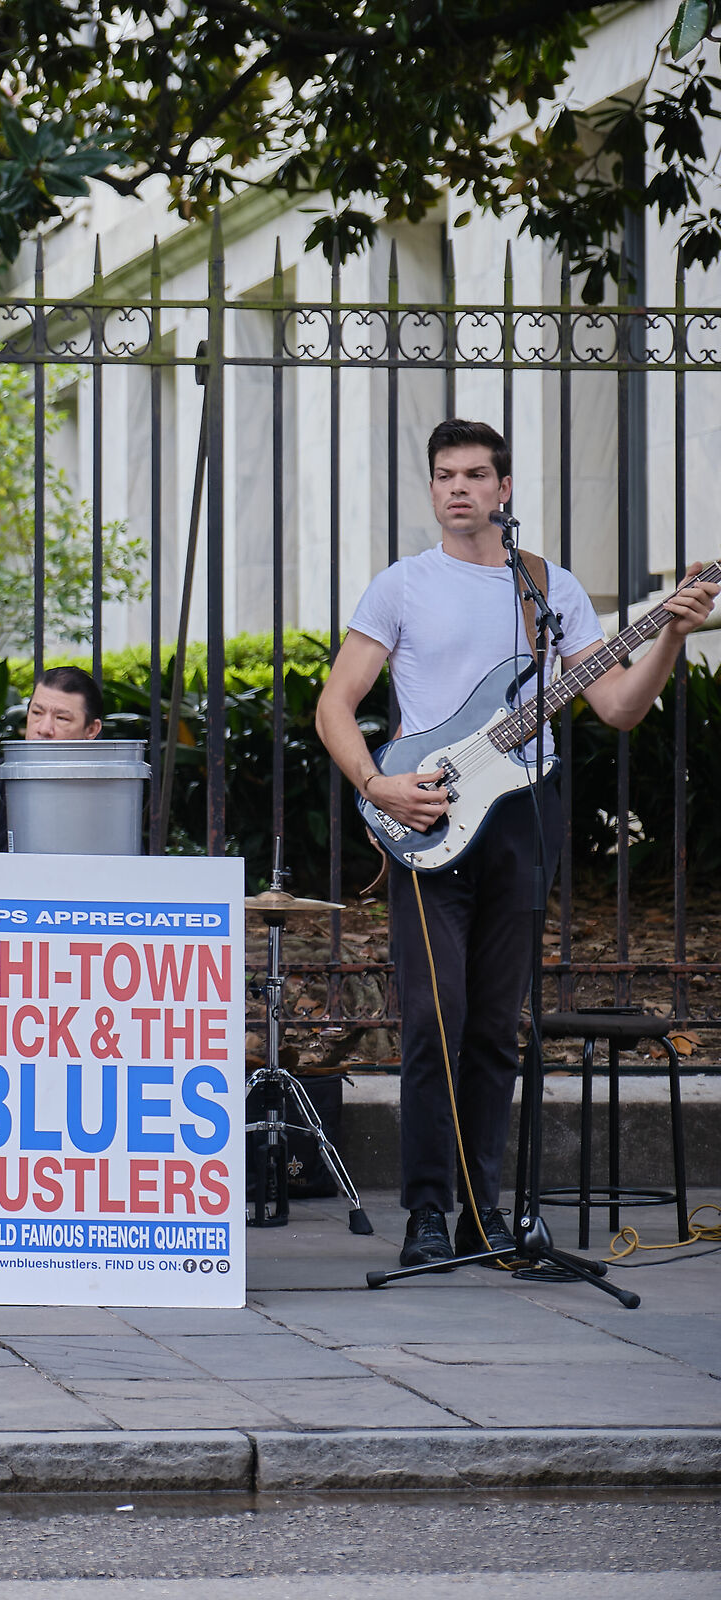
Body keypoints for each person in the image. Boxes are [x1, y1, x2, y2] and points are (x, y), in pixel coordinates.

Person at [315, 418, 715, 1271]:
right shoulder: (402, 586)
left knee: (497, 1025)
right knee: (435, 1018)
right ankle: (428, 1211)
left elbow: (616, 707)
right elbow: (334, 705)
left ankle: (482, 1214)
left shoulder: (547, 588)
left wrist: (670, 633)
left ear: (504, 491)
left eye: (475, 475)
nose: (458, 488)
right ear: (434, 490)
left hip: (523, 815)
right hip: (425, 813)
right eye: (444, 476)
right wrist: (377, 783)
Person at [0, 665, 105, 867]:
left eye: (61, 718)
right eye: (37, 713)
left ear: (92, 729)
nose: (44, 729)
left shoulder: (111, 791)